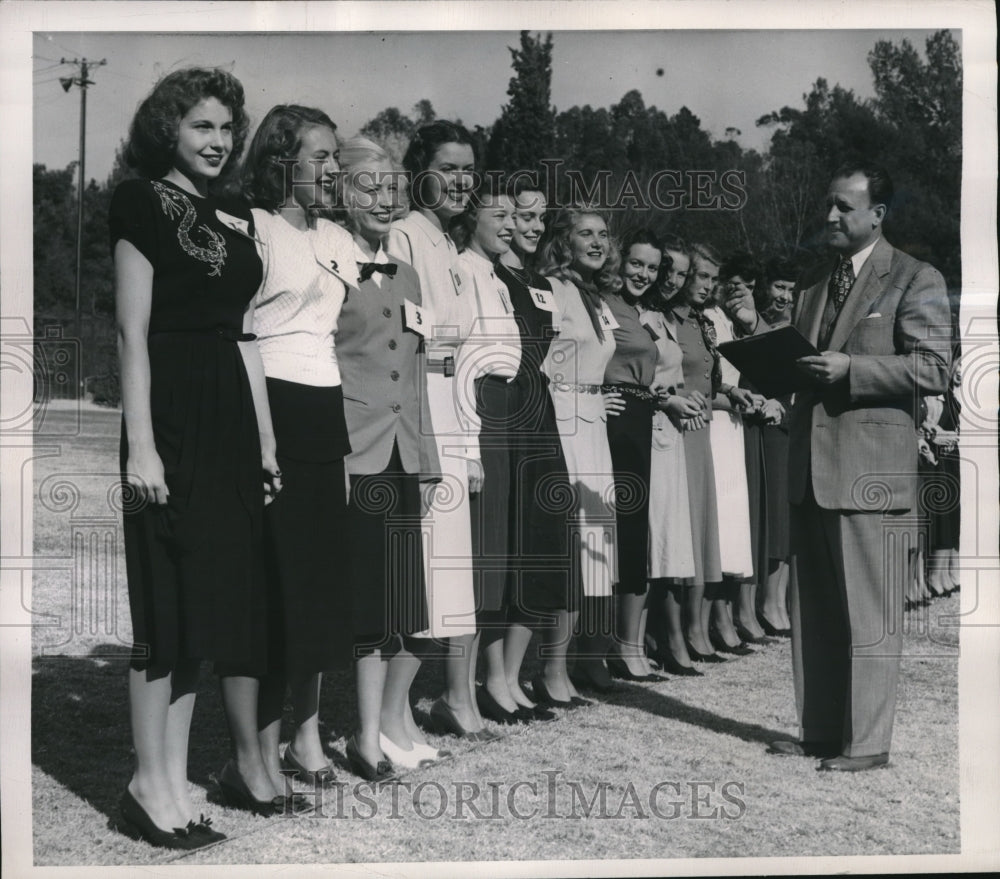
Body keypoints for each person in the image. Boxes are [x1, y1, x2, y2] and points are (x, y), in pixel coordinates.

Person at [111, 67, 278, 848]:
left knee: (206, 600)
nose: (216, 141)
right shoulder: (141, 200)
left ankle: (172, 779)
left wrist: (266, 439)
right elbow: (131, 333)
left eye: (224, 128)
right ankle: (148, 783)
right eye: (200, 126)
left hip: (230, 415)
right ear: (168, 130)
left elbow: (243, 330)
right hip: (171, 409)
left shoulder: (240, 210)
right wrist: (141, 443)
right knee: (164, 601)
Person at [761, 163, 952, 770]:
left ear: (878, 214)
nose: (830, 217)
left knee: (869, 614)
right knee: (812, 612)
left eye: (844, 207)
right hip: (810, 469)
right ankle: (819, 730)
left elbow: (933, 370)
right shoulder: (815, 288)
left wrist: (854, 371)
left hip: (870, 472)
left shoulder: (916, 279)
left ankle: (867, 744)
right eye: (829, 206)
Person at [241, 105, 355, 794]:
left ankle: (304, 734)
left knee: (316, 583)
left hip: (323, 407)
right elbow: (245, 334)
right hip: (272, 406)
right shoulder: (253, 228)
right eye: (320, 156)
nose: (332, 169)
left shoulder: (338, 236)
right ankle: (256, 746)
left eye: (336, 157)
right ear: (283, 160)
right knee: (275, 582)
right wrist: (261, 437)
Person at [334, 136, 446, 775]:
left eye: (393, 188)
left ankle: (371, 733)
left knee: (396, 602)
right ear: (341, 192)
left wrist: (427, 460)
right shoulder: (329, 266)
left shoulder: (407, 274)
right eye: (369, 187)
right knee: (362, 603)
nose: (384, 199)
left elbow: (420, 367)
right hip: (354, 455)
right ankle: (354, 733)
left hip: (404, 457)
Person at [387, 122, 490, 740]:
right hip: (416, 411)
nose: (459, 181)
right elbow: (401, 343)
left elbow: (463, 355)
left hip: (452, 415)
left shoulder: (450, 248)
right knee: (416, 573)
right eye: (448, 168)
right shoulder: (404, 235)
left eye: (468, 170)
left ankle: (399, 713)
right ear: (419, 170)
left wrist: (469, 444)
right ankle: (389, 716)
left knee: (445, 575)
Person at [494, 177, 580, 713]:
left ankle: (508, 675)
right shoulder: (487, 274)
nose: (533, 227)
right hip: (503, 413)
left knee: (544, 541)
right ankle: (491, 680)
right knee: (503, 547)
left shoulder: (537, 280)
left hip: (539, 411)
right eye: (524, 217)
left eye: (539, 219)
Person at [537, 206, 621, 694]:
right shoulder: (553, 289)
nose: (597, 242)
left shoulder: (595, 296)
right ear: (563, 241)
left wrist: (596, 394)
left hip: (593, 428)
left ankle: (580, 662)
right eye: (585, 234)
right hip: (564, 427)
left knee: (595, 546)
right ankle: (550, 671)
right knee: (570, 547)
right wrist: (571, 397)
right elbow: (544, 362)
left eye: (603, 235)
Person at [601, 229, 667, 682]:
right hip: (614, 418)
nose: (643, 274)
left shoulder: (641, 312)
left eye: (652, 268)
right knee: (611, 530)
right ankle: (605, 647)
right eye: (637, 264)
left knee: (633, 530)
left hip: (642, 417)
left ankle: (626, 643)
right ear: (620, 260)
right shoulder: (602, 301)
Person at [637, 243, 702, 676]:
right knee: (648, 538)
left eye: (679, 274)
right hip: (648, 428)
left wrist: (685, 396)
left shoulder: (663, 317)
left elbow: (671, 378)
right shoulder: (637, 315)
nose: (671, 280)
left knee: (666, 540)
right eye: (667, 271)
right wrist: (668, 399)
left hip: (670, 433)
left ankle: (657, 637)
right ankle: (637, 641)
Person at [664, 242, 725, 663]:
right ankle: (669, 637)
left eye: (710, 279)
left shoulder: (703, 324)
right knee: (676, 534)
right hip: (676, 429)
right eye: (698, 276)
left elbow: (710, 384)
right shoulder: (666, 320)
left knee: (701, 532)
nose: (704, 285)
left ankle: (694, 630)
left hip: (702, 432)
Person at [753, 256, 799, 636]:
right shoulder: (755, 325)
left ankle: (779, 600)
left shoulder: (795, 327)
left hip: (791, 425)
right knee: (773, 518)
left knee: (788, 517)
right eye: (779, 287)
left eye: (790, 289)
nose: (785, 296)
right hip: (766, 425)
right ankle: (767, 602)